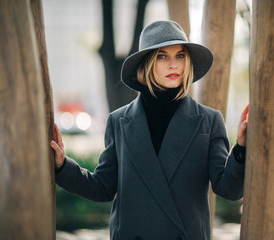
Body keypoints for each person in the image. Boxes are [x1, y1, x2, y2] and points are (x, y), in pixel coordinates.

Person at [51, 20, 248, 240]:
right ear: (147, 63)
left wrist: (240, 148)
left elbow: (228, 189)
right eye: (162, 56)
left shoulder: (209, 120)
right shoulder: (118, 121)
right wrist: (61, 166)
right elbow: (102, 187)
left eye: (180, 55)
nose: (173, 65)